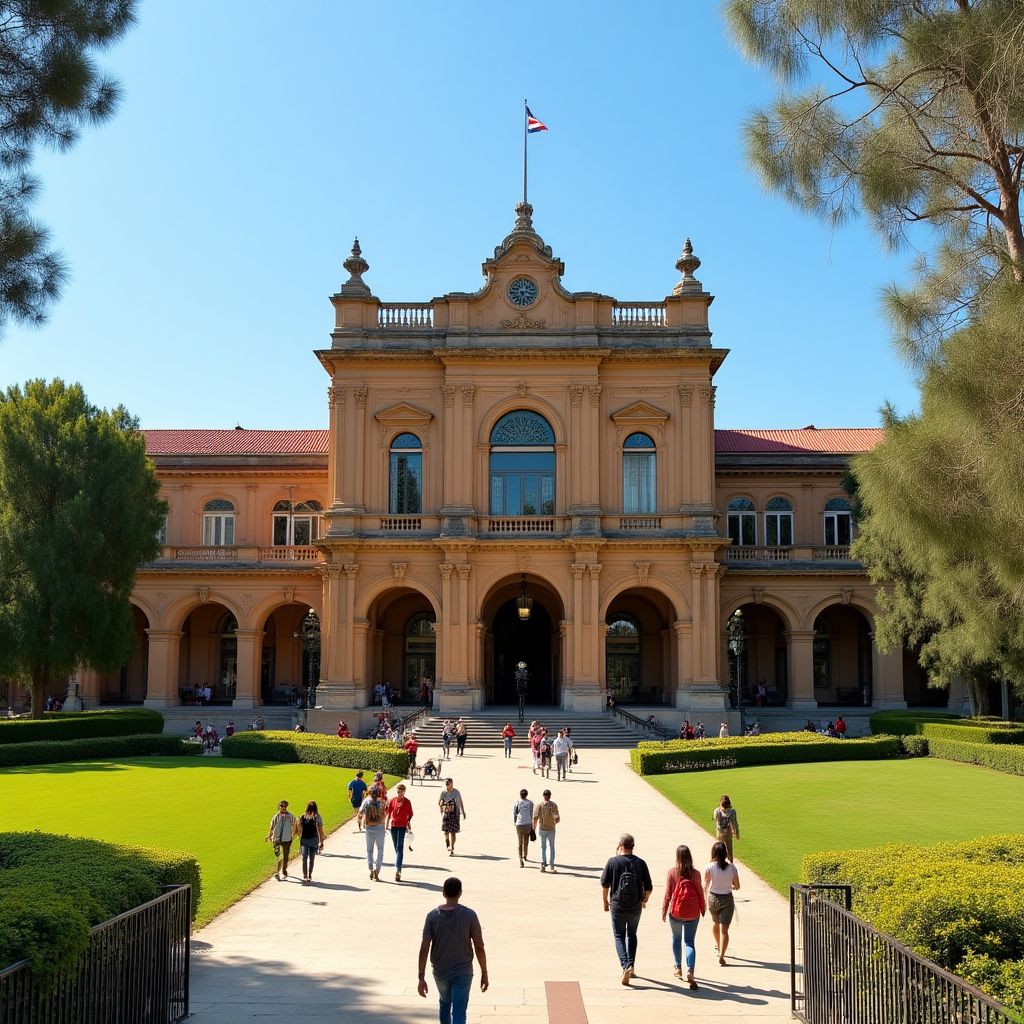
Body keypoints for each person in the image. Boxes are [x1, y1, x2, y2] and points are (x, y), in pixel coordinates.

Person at [418, 877, 488, 1024]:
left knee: (444, 1003)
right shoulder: (470, 915)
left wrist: (421, 977)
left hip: (440, 971)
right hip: (463, 971)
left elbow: (424, 947)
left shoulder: (432, 916)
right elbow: (479, 946)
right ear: (460, 893)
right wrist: (484, 972)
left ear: (443, 893)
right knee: (459, 1011)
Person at [600, 833, 653, 985]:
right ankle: (632, 965)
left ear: (621, 846)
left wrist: (605, 902)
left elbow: (605, 885)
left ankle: (625, 965)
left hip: (617, 905)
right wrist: (644, 900)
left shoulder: (612, 862)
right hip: (635, 906)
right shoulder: (641, 863)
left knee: (619, 936)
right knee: (632, 934)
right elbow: (648, 887)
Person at [662, 844, 705, 987]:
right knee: (690, 941)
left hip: (676, 911)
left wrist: (664, 909)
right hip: (692, 912)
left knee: (676, 938)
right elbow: (700, 892)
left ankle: (677, 967)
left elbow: (668, 894)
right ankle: (690, 970)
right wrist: (702, 908)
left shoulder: (672, 872)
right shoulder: (696, 874)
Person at [704, 840, 741, 966]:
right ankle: (722, 955)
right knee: (724, 930)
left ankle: (718, 945)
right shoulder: (732, 867)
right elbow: (737, 886)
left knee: (715, 922)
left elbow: (706, 881)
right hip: (727, 898)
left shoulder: (709, 866)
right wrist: (730, 885)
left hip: (713, 898)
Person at [359, 783, 388, 881]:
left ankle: (371, 869)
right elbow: (386, 812)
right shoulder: (381, 802)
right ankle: (377, 870)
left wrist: (361, 821)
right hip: (380, 828)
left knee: (369, 850)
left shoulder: (366, 801)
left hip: (369, 827)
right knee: (380, 850)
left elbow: (360, 812)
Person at [386, 782, 414, 882]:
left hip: (402, 826)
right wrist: (387, 824)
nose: (400, 794)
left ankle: (398, 870)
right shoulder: (393, 801)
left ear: (404, 792)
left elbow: (410, 814)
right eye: (399, 792)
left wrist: (407, 822)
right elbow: (389, 813)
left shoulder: (407, 802)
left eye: (402, 792)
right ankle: (398, 865)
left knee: (400, 848)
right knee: (396, 848)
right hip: (393, 826)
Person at [266, 799, 297, 881]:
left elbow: (294, 825)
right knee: (278, 856)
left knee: (286, 856)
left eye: (284, 806)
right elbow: (271, 827)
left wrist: (293, 835)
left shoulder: (290, 816)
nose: (282, 808)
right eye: (281, 806)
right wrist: (269, 836)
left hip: (287, 839)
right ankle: (277, 873)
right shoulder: (276, 817)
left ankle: (284, 870)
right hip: (277, 839)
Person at [297, 800, 325, 885]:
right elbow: (320, 830)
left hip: (304, 840)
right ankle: (309, 875)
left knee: (304, 858)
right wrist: (321, 841)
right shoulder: (317, 817)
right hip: (314, 840)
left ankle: (305, 876)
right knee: (311, 859)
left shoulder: (303, 816)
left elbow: (299, 830)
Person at [533, 789, 560, 873]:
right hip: (551, 829)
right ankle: (552, 865)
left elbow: (535, 818)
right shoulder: (554, 805)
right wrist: (554, 821)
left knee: (543, 847)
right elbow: (558, 819)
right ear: (550, 796)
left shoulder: (539, 805)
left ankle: (543, 864)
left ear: (543, 796)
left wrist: (533, 829)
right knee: (552, 847)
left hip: (542, 829)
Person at [439, 778, 467, 856]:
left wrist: (463, 812)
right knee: (446, 831)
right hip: (446, 813)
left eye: (448, 783)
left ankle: (452, 848)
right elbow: (439, 801)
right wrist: (442, 804)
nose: (447, 785)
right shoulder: (443, 792)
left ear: (452, 783)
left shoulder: (456, 792)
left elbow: (460, 802)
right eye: (446, 783)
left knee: (453, 833)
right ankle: (447, 840)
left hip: (455, 814)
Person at [714, 795, 740, 862]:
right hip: (728, 832)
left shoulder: (717, 810)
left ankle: (719, 864)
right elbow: (735, 823)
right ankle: (731, 865)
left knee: (720, 850)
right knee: (730, 850)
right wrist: (737, 833)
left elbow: (716, 820)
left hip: (719, 833)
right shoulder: (732, 811)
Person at [513, 788, 533, 867]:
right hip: (528, 823)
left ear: (520, 795)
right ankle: (525, 855)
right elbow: (531, 813)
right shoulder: (531, 803)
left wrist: (515, 822)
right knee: (526, 841)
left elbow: (515, 813)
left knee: (520, 842)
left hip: (519, 824)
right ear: (526, 795)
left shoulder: (517, 802)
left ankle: (520, 859)